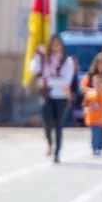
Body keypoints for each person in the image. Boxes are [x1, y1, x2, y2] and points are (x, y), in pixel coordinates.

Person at [30, 35, 75, 163]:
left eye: (58, 43)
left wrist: (47, 81)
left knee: (59, 125)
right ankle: (50, 144)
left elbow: (66, 81)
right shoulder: (46, 59)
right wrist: (38, 55)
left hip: (61, 96)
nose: (55, 46)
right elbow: (34, 68)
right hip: (47, 95)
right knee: (46, 121)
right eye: (53, 43)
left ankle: (57, 152)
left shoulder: (68, 61)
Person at [84, 73, 102, 157]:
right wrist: (85, 111)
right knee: (94, 133)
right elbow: (86, 104)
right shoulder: (90, 95)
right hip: (92, 118)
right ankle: (95, 148)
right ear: (93, 84)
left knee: (101, 133)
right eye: (96, 83)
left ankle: (100, 146)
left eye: (100, 83)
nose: (98, 85)